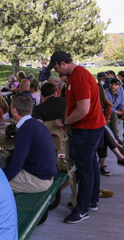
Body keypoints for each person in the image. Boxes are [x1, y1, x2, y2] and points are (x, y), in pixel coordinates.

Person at [48, 50, 106, 224]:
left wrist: (64, 121)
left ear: (63, 63)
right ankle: (91, 201)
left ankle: (82, 209)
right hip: (92, 126)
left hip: (88, 128)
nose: (57, 72)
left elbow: (83, 109)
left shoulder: (79, 77)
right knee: (92, 165)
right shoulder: (74, 76)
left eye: (56, 68)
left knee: (85, 167)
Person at [4, 93, 57, 193]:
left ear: (14, 111)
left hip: (39, 179)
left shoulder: (24, 130)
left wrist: (1, 180)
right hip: (46, 174)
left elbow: (17, 163)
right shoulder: (37, 124)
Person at [97, 84, 124, 177]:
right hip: (90, 129)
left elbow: (104, 121)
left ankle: (103, 164)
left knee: (102, 132)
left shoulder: (106, 105)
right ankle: (119, 155)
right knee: (102, 132)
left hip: (99, 127)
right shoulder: (88, 103)